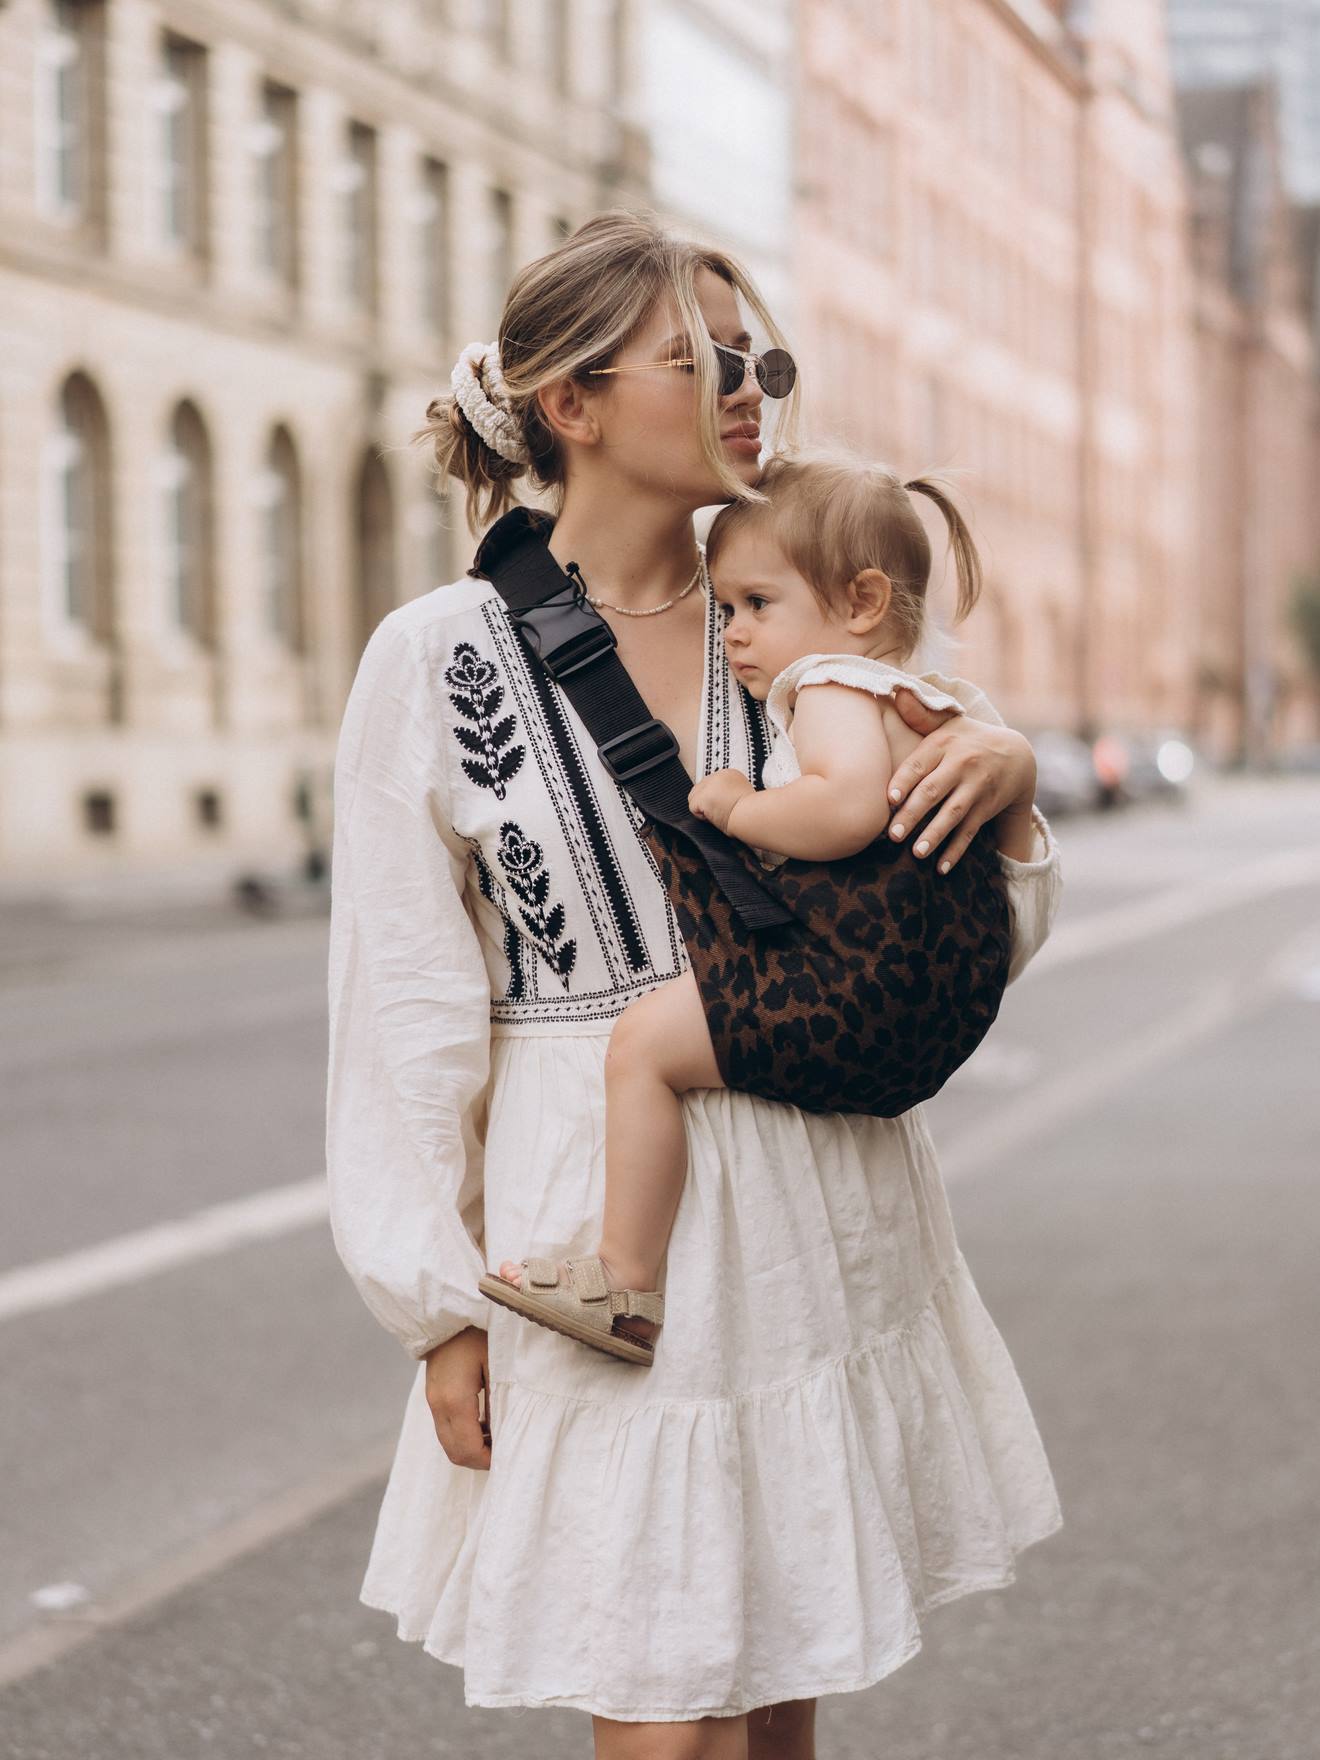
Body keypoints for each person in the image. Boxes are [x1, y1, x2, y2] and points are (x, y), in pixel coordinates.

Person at [325, 211, 1062, 1757]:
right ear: (571, 404)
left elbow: (952, 946)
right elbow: (401, 1006)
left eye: (759, 359)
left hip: (813, 1205)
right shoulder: (437, 654)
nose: (748, 388)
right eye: (703, 358)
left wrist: (1005, 783)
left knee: (774, 1686)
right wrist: (435, 1309)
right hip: (595, 1233)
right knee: (667, 1711)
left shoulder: (815, 616)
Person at [481, 448, 1030, 1368]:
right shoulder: (926, 704)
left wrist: (741, 807)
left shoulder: (824, 686)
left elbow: (847, 806)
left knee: (646, 1046)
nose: (731, 632)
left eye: (756, 606)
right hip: (928, 1001)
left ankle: (624, 1280)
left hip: (850, 981)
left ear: (858, 604)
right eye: (725, 606)